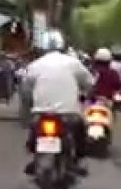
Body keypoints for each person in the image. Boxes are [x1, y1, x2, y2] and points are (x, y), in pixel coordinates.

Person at [22, 39, 94, 175]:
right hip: (69, 114)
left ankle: (35, 157)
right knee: (81, 131)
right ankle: (78, 159)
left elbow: (25, 90)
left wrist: (30, 106)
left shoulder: (35, 65)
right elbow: (89, 83)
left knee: (33, 132)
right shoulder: (73, 63)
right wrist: (86, 94)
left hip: (41, 112)